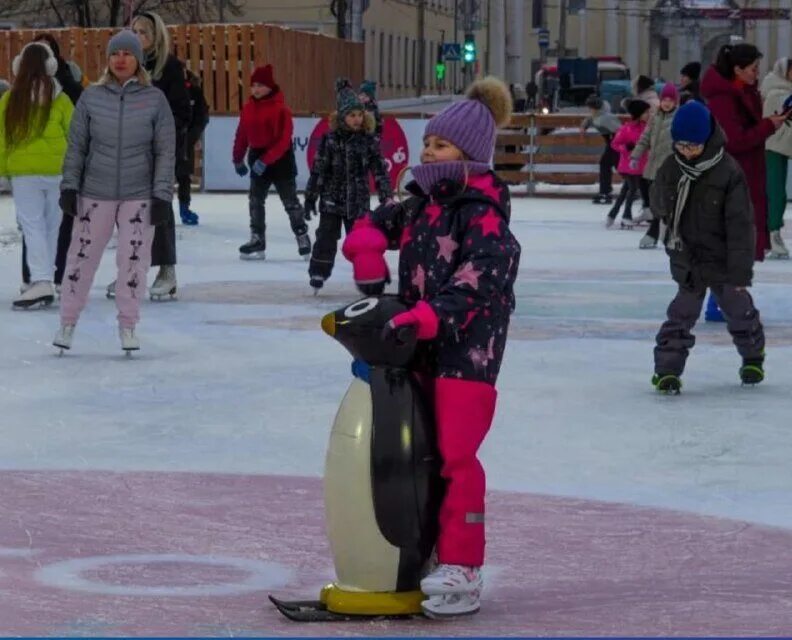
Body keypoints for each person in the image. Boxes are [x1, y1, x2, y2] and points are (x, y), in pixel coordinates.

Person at [341, 77, 521, 619]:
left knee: (456, 459)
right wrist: (366, 244)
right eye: (427, 143)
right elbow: (375, 224)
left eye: (440, 146)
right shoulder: (421, 202)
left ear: (467, 155)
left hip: (468, 356)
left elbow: (480, 280)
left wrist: (424, 316)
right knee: (416, 453)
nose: (427, 152)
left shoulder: (483, 211)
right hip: (417, 348)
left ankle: (463, 567)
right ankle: (421, 551)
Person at [54, 30, 175, 353]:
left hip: (139, 193)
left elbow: (165, 150)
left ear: (138, 60)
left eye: (127, 53)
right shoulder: (91, 98)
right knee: (81, 258)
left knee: (133, 260)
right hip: (96, 191)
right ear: (108, 59)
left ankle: (128, 326)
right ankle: (67, 322)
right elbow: (77, 146)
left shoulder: (154, 99)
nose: (121, 59)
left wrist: (162, 194)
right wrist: (70, 186)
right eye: (115, 54)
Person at [650, 101, 765, 393]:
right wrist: (664, 200)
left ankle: (752, 356)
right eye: (681, 145)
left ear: (708, 140)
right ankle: (666, 371)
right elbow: (658, 202)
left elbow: (741, 227)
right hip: (688, 258)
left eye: (694, 146)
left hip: (723, 260)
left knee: (739, 312)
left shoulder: (727, 172)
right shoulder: (671, 168)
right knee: (680, 316)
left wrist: (740, 275)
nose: (687, 151)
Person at [700, 43, 790, 320]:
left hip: (746, 174)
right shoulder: (724, 98)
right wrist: (768, 126)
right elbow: (735, 140)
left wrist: (772, 121)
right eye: (753, 68)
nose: (757, 73)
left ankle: (728, 296)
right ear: (737, 69)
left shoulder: (745, 92)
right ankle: (724, 299)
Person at [0, 41, 73, 309]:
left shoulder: (10, 98)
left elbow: (1, 138)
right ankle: (48, 279)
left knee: (32, 226)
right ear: (50, 66)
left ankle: (41, 280)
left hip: (23, 173)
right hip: (57, 171)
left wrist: (3, 171)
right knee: (53, 226)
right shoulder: (61, 97)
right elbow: (75, 134)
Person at [123, 11, 190, 301]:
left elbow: (182, 113)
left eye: (143, 32)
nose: (138, 37)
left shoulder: (170, 68)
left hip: (159, 150)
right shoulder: (124, 66)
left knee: (158, 209)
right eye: (134, 31)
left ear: (156, 36)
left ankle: (166, 270)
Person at [304, 79, 391, 292]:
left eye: (360, 115)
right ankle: (319, 272)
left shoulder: (368, 141)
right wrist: (310, 197)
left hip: (358, 201)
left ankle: (372, 277)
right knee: (326, 237)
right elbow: (318, 170)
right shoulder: (330, 140)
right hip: (332, 199)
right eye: (352, 115)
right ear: (342, 117)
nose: (357, 119)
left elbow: (379, 170)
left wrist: (386, 196)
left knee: (364, 242)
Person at [20, 33, 84, 298]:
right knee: (36, 225)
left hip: (51, 170)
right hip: (34, 168)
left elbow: (76, 124)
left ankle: (51, 277)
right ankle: (35, 277)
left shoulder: (65, 86)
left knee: (51, 224)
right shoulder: (18, 94)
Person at [232, 64, 311, 261]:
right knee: (255, 200)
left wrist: (266, 160)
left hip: (280, 159)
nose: (256, 90)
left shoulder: (281, 109)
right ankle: (257, 238)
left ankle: (301, 235)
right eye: (253, 86)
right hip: (257, 156)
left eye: (260, 85)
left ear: (269, 86)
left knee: (290, 202)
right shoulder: (248, 108)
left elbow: (284, 140)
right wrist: (238, 158)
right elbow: (242, 134)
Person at [631, 83, 680, 247]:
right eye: (664, 99)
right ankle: (664, 232)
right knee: (655, 201)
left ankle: (655, 233)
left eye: (670, 100)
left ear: (675, 101)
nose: (667, 103)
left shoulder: (678, 118)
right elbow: (645, 138)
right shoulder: (655, 117)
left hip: (670, 168)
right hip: (653, 166)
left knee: (663, 201)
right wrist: (635, 156)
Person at [760, 56, 792, 259]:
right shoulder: (775, 92)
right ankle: (772, 234)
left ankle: (771, 233)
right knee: (775, 192)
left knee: (776, 192)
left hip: (783, 145)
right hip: (773, 147)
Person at [606, 99, 651, 228]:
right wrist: (626, 148)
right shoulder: (627, 128)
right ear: (638, 113)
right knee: (632, 189)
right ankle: (626, 215)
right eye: (646, 112)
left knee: (626, 191)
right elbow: (614, 144)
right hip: (628, 165)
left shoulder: (646, 128)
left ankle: (612, 213)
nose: (648, 114)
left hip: (641, 166)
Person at [178, 67, 209, 225]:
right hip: (163, 140)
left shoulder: (195, 91)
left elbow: (202, 116)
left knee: (184, 176)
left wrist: (192, 137)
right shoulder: (164, 89)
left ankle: (184, 209)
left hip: (185, 142)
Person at [581, 94, 622, 204]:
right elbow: (590, 119)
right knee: (609, 165)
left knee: (614, 165)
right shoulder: (598, 115)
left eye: (590, 108)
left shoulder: (605, 118)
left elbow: (619, 130)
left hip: (616, 143)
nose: (589, 110)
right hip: (612, 143)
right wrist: (584, 126)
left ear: (595, 107)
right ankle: (606, 191)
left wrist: (620, 143)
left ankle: (607, 191)